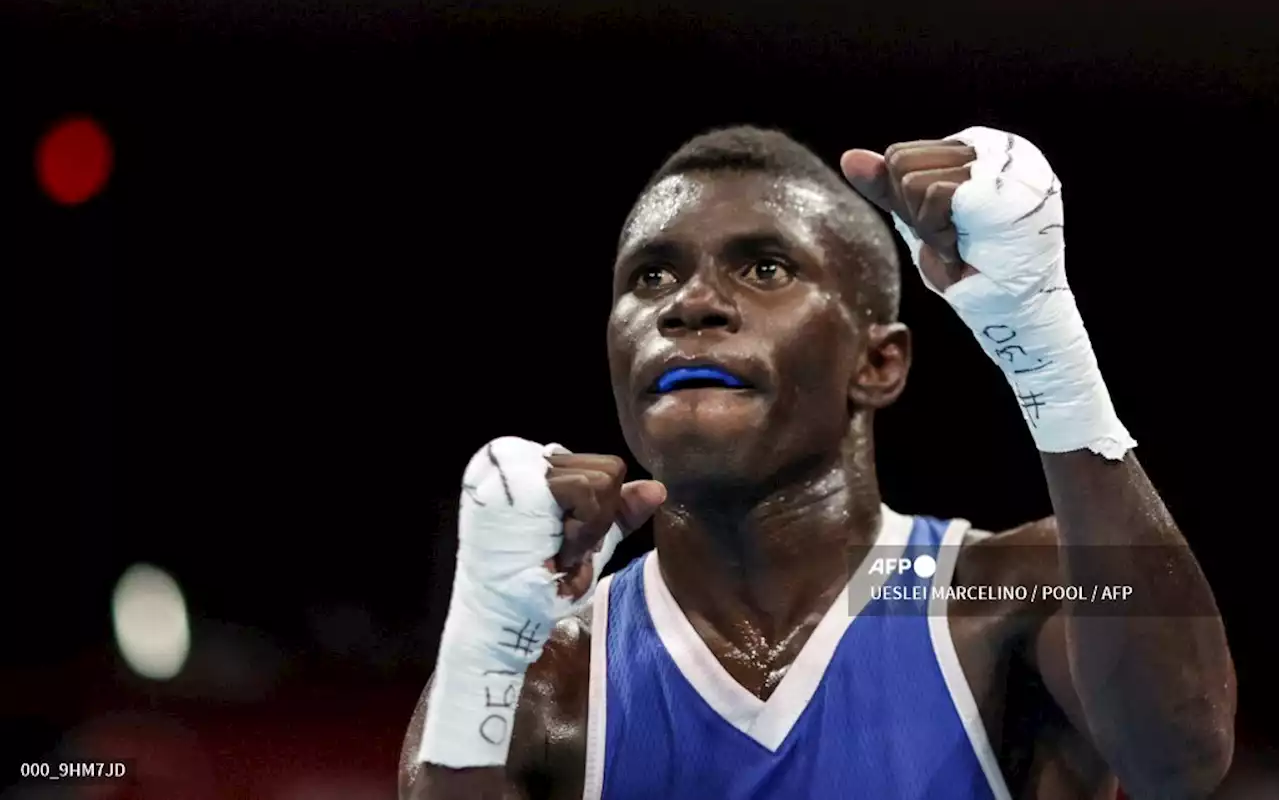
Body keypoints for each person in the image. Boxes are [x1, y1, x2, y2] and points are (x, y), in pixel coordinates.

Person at [398, 126, 1236, 799]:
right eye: (652, 275)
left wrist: (1042, 337)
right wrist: (483, 638)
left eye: (765, 267)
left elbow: (1183, 758)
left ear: (879, 363)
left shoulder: (1003, 592)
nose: (690, 304)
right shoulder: (549, 672)